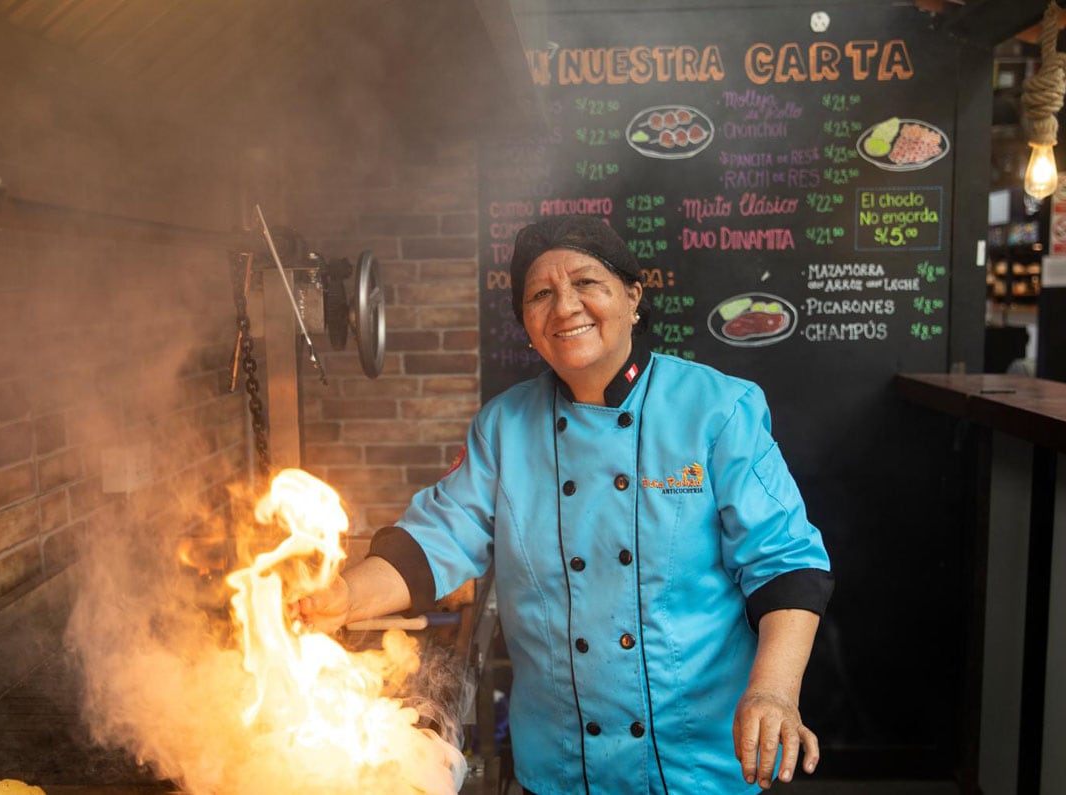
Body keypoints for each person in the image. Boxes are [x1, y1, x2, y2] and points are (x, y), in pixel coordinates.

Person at [296, 215, 834, 794]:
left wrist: (772, 691)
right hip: (560, 766)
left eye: (587, 283)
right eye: (540, 294)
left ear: (632, 296)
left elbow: (786, 566)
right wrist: (343, 597)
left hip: (696, 762)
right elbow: (435, 541)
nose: (565, 306)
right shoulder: (504, 427)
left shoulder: (718, 409)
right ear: (527, 324)